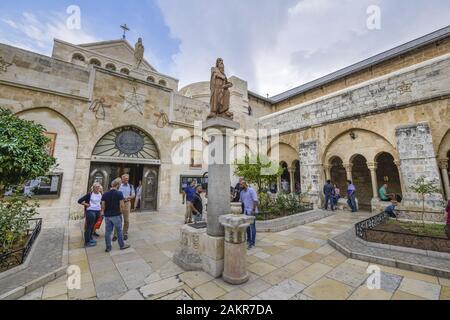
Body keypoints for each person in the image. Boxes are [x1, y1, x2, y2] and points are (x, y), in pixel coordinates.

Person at [102, 178, 130, 252]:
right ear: (117, 185)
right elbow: (122, 205)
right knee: (119, 231)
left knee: (108, 232)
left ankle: (108, 247)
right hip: (116, 215)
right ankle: (122, 245)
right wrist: (120, 212)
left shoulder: (105, 194)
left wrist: (104, 213)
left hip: (107, 216)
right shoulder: (119, 193)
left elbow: (103, 206)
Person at [78, 182, 103, 247]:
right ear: (93, 188)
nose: (98, 188)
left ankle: (90, 238)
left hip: (98, 211)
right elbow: (79, 201)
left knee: (93, 226)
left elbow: (101, 202)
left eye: (98, 187)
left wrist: (101, 210)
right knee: (89, 227)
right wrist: (86, 204)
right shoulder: (90, 194)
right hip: (91, 211)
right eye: (96, 187)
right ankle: (87, 242)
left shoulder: (100, 194)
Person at [113, 174, 135, 242]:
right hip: (119, 203)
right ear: (122, 179)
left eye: (127, 179)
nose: (126, 180)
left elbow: (133, 195)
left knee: (126, 220)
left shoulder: (131, 186)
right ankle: (115, 235)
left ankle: (125, 233)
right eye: (125, 179)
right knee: (118, 219)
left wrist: (128, 197)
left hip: (127, 203)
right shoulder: (119, 186)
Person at [240, 180, 259, 249]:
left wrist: (253, 210)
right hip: (245, 212)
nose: (240, 186)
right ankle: (248, 240)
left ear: (245, 184)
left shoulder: (251, 190)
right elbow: (241, 202)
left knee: (252, 227)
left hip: (252, 212)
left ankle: (252, 242)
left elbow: (255, 200)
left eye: (241, 184)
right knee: (247, 227)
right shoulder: (241, 192)